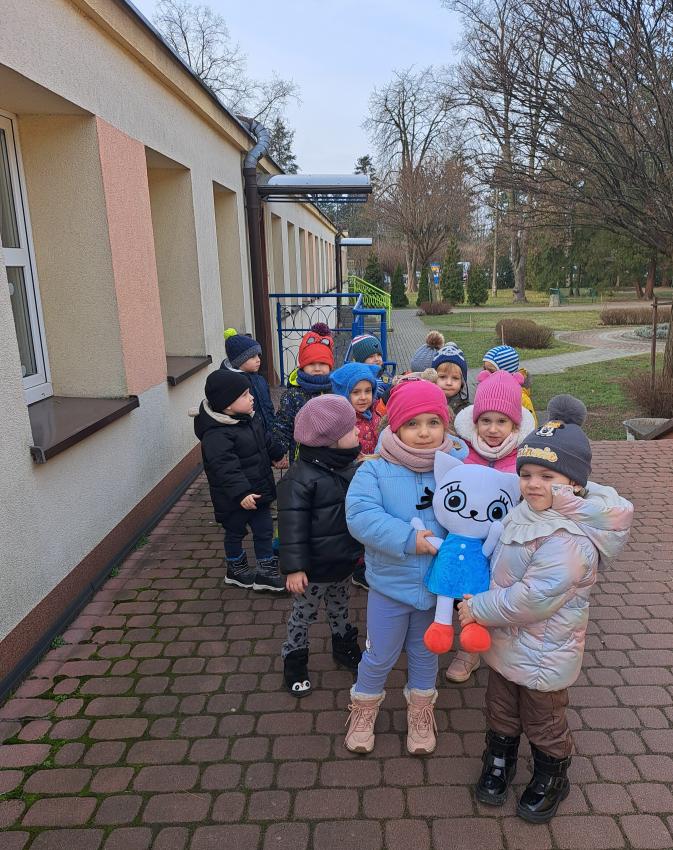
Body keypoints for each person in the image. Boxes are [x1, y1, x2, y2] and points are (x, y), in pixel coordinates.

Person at [458, 396, 633, 823]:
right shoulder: (530, 511)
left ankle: (552, 774)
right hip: (506, 641)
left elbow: (534, 598)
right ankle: (499, 759)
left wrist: (478, 608)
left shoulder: (569, 538)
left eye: (547, 476)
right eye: (526, 474)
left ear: (574, 482)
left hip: (545, 652)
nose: (533, 484)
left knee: (543, 719)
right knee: (500, 708)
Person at [344, 381, 468, 756]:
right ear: (394, 427)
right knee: (379, 654)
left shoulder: (457, 469)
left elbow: (471, 517)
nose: (424, 432)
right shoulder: (374, 470)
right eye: (413, 423)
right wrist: (407, 539)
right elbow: (361, 516)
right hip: (389, 586)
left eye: (433, 422)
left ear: (445, 425)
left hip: (435, 590)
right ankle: (364, 709)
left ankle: (420, 712)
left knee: (426, 654)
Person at [446, 369, 536, 684]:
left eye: (502, 421)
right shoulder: (462, 453)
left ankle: (503, 648)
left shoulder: (524, 458)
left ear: (515, 424)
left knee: (500, 595)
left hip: (506, 543)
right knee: (467, 596)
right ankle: (468, 651)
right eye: (486, 420)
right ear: (475, 422)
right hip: (470, 544)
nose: (493, 429)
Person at [278, 395, 364, 697]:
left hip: (342, 563)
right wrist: (294, 568)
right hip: (313, 571)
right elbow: (291, 527)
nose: (358, 431)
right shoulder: (300, 479)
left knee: (341, 609)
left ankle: (343, 646)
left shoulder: (348, 466)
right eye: (351, 428)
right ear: (331, 440)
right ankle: (294, 658)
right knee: (303, 615)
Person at [193, 369, 287, 592]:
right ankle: (235, 568)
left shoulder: (249, 419)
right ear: (227, 405)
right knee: (235, 532)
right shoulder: (216, 434)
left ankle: (266, 571)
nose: (251, 397)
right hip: (235, 498)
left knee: (264, 529)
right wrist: (241, 493)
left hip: (259, 489)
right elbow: (224, 468)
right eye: (245, 395)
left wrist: (276, 454)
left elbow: (265, 439)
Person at [330, 361, 383, 592]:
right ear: (344, 393)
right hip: (350, 479)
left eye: (368, 391)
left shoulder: (374, 415)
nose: (363, 397)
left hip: (373, 477)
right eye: (356, 392)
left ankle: (367, 562)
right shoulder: (343, 421)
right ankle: (359, 568)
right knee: (356, 521)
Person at [273, 324, 334, 462]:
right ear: (302, 366)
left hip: (331, 458)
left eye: (322, 363)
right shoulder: (293, 395)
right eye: (311, 364)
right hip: (301, 459)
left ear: (330, 365)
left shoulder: (335, 391)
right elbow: (283, 424)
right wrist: (277, 450)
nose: (317, 368)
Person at [221, 329, 275, 435]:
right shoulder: (233, 384)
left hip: (268, 432)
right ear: (239, 360)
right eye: (252, 357)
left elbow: (268, 405)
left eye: (258, 355)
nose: (258, 359)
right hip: (250, 435)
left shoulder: (261, 380)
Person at [483, 344, 537, 426]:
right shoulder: (488, 389)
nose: (485, 374)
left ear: (506, 372)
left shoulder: (521, 398)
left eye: (491, 371)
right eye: (484, 369)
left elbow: (531, 425)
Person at [432, 343, 470, 416]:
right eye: (442, 377)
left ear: (462, 382)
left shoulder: (467, 411)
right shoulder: (425, 404)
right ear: (433, 378)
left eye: (455, 378)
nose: (449, 383)